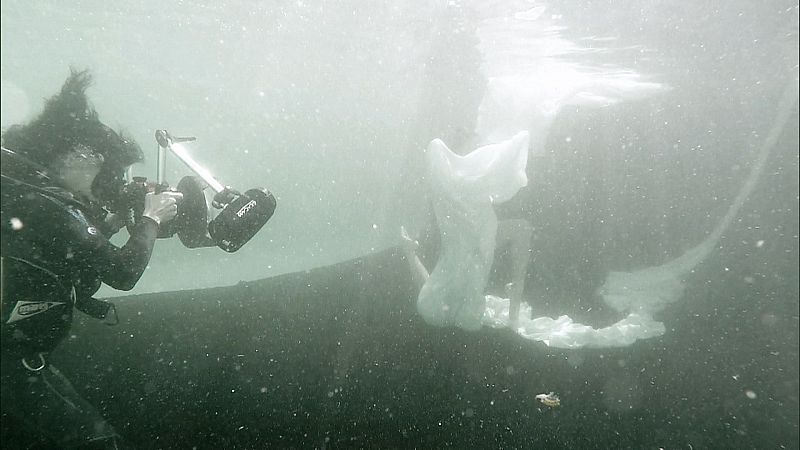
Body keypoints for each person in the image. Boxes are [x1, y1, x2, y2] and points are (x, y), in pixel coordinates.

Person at [0, 69, 181, 448]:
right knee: (98, 443)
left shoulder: (25, 194)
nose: (107, 184)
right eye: (105, 170)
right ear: (75, 154)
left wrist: (111, 223)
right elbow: (122, 272)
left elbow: (63, 258)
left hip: (19, 356)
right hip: (11, 362)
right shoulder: (46, 203)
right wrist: (151, 218)